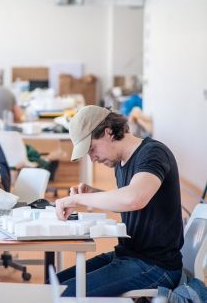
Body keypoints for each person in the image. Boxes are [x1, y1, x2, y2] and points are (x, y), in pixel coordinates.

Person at [54, 105, 183, 297]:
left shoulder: (153, 153)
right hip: (127, 255)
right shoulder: (121, 162)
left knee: (62, 295)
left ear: (108, 132)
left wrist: (79, 198)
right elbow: (129, 200)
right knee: (50, 286)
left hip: (157, 265)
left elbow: (134, 199)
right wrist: (93, 193)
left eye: (91, 149)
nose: (92, 158)